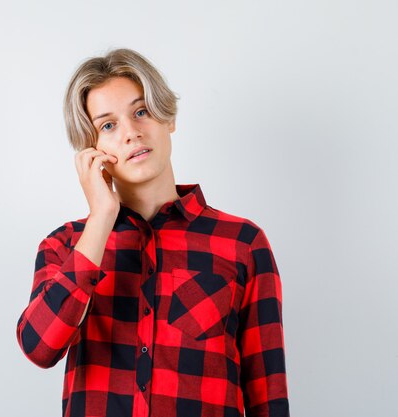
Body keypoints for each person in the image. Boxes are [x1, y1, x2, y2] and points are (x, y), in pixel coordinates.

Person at [16, 48, 289, 417]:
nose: (132, 133)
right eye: (108, 125)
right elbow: (39, 347)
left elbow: (267, 396)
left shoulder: (243, 244)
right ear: (91, 149)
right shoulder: (64, 245)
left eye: (141, 111)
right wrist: (101, 218)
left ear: (168, 118)